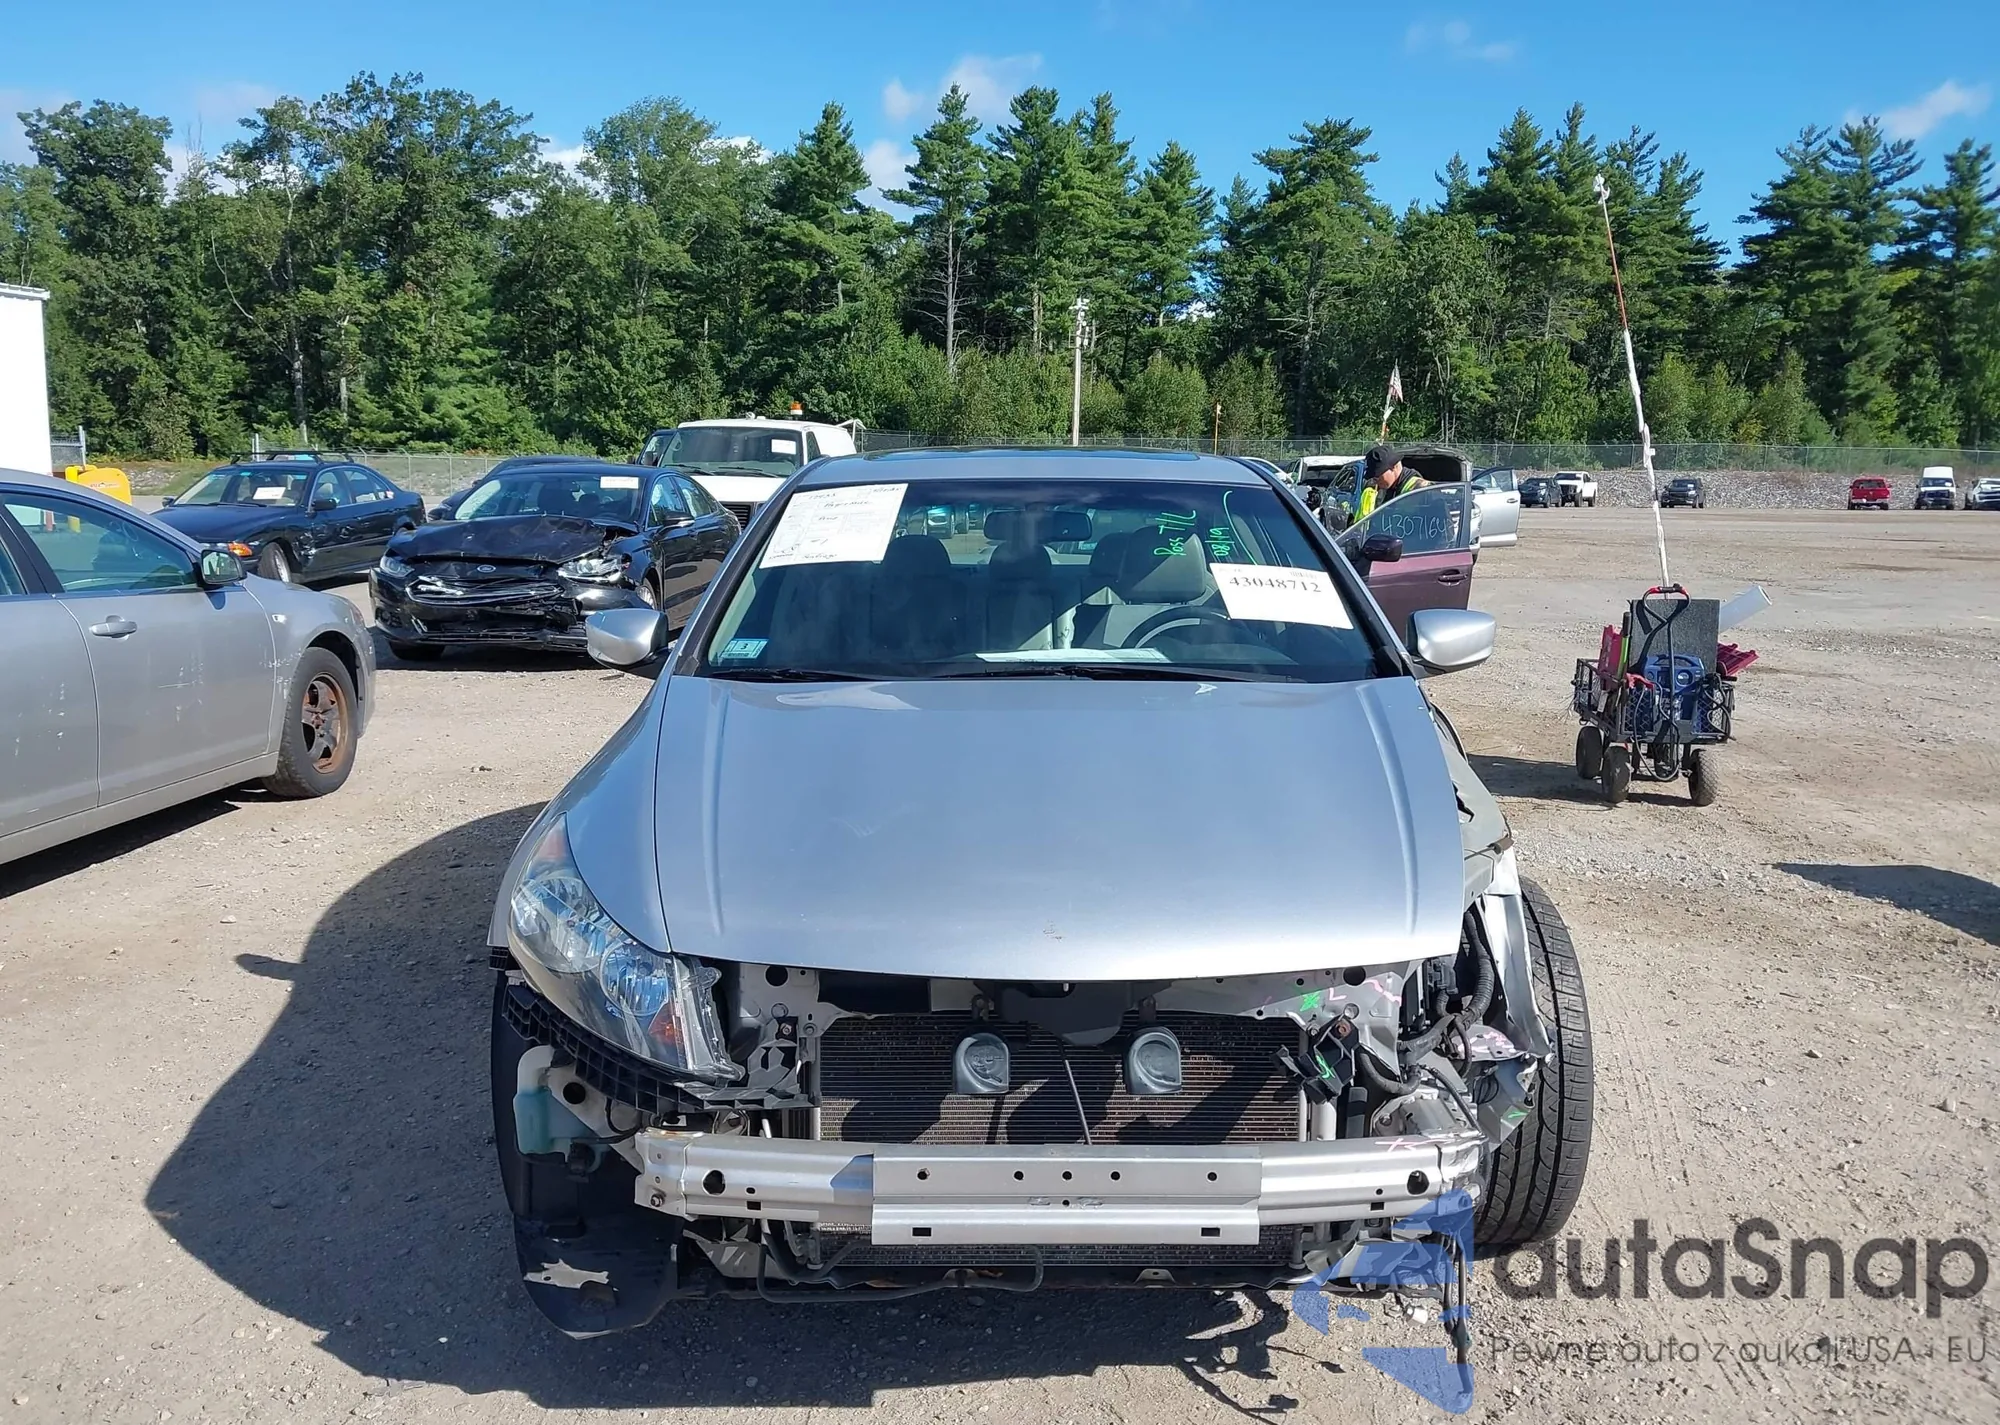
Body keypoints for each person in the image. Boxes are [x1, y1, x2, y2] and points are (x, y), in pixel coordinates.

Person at [1355, 444, 1427, 520]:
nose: (1375, 480)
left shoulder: (1420, 489)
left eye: (1378, 475)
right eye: (1373, 477)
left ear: (1394, 467)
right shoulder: (1383, 488)